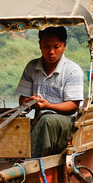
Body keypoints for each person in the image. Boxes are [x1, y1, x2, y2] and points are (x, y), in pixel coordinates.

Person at [16, 26, 84, 158]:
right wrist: (29, 102)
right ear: (40, 45)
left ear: (64, 46)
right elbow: (22, 102)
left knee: (47, 120)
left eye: (56, 47)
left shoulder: (73, 70)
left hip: (65, 123)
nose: (51, 52)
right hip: (39, 120)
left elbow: (73, 106)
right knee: (15, 124)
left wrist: (49, 106)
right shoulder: (32, 67)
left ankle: (28, 161)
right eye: (46, 46)